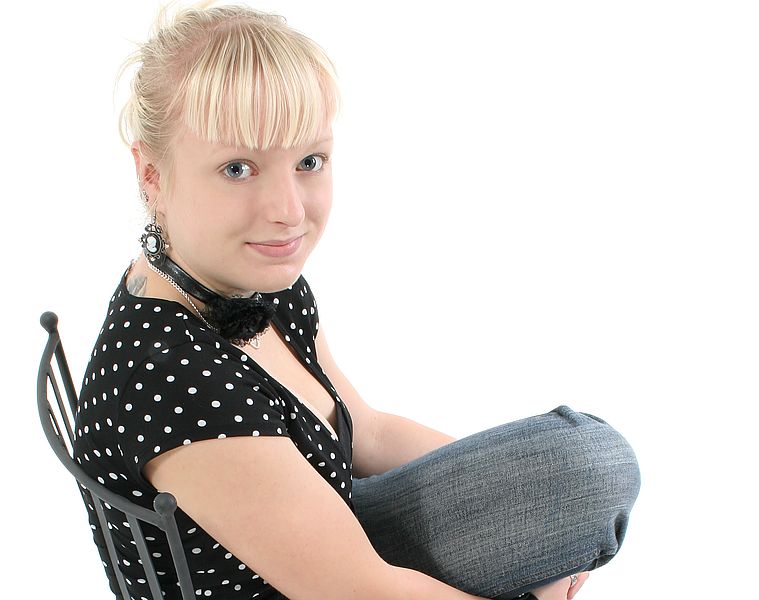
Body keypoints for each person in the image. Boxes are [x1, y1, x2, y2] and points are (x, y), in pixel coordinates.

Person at [71, 3, 640, 599]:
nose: (288, 210)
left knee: (587, 463)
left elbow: (363, 430)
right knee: (587, 477)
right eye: (237, 168)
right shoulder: (172, 379)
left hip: (332, 527)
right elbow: (361, 591)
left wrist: (525, 499)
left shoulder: (239, 276)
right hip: (308, 586)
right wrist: (539, 591)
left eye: (308, 161)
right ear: (152, 173)